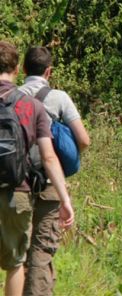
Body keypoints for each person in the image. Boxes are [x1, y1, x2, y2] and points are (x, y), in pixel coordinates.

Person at [0, 41, 74, 296]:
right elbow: (49, 157)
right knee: (15, 263)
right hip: (16, 192)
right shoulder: (31, 106)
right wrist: (65, 199)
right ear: (17, 68)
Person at [18, 46, 90, 296]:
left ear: (23, 69)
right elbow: (84, 139)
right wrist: (67, 156)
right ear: (49, 71)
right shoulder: (59, 97)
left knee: (20, 251)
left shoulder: (12, 96)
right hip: (49, 183)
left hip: (16, 183)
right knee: (41, 249)